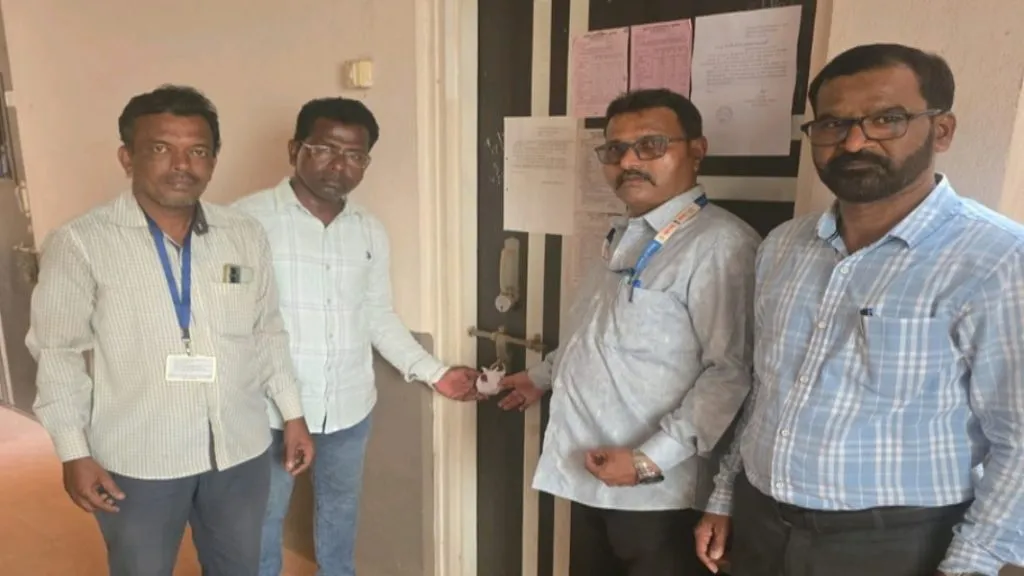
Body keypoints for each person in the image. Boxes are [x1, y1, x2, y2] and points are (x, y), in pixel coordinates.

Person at [695, 43, 1024, 576]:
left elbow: (1020, 439)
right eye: (832, 124)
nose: (853, 141)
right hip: (761, 523)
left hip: (895, 544)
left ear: (941, 130)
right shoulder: (784, 246)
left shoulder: (998, 259)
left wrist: (971, 565)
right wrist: (725, 495)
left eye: (886, 119)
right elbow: (766, 388)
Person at [26, 84, 315, 576]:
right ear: (128, 157)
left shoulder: (243, 235)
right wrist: (73, 451)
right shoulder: (81, 243)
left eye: (197, 151)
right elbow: (58, 351)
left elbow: (267, 331)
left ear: (214, 159)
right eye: (161, 148)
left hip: (239, 451)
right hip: (140, 459)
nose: (182, 164)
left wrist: (293, 414)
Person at [497, 88, 758, 576]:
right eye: (615, 149)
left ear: (696, 150)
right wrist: (542, 376)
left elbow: (730, 374)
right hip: (591, 467)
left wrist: (647, 461)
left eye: (651, 145)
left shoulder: (720, 245)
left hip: (658, 493)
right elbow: (596, 332)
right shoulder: (625, 233)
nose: (629, 162)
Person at [233, 97, 480, 576]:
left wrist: (436, 373)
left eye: (354, 155)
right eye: (325, 149)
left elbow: (377, 317)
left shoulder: (368, 232)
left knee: (340, 513)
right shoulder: (246, 222)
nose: (338, 166)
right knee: (260, 522)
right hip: (266, 411)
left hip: (347, 406)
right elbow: (233, 324)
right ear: (295, 150)